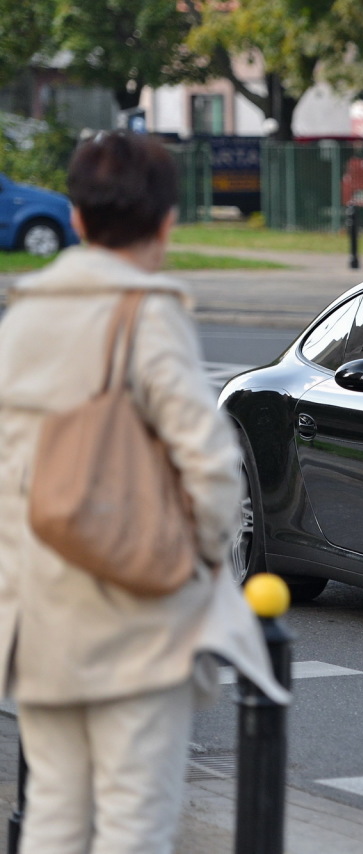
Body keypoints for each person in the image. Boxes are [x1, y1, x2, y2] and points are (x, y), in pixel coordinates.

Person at [0, 131, 286, 854]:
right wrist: (194, 567)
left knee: (54, 817)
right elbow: (212, 464)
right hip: (134, 616)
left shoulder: (24, 315)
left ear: (75, 216)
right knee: (136, 820)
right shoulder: (145, 313)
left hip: (36, 614)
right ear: (166, 223)